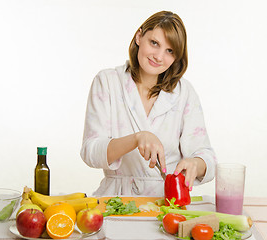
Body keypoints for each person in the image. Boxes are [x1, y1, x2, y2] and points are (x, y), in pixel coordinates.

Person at [80, 11, 216, 196]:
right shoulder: (107, 82)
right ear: (139, 37)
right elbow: (90, 151)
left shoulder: (184, 92)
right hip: (115, 200)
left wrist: (195, 164)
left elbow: (207, 157)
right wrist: (137, 138)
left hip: (168, 202)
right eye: (154, 43)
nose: (159, 57)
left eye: (170, 51)